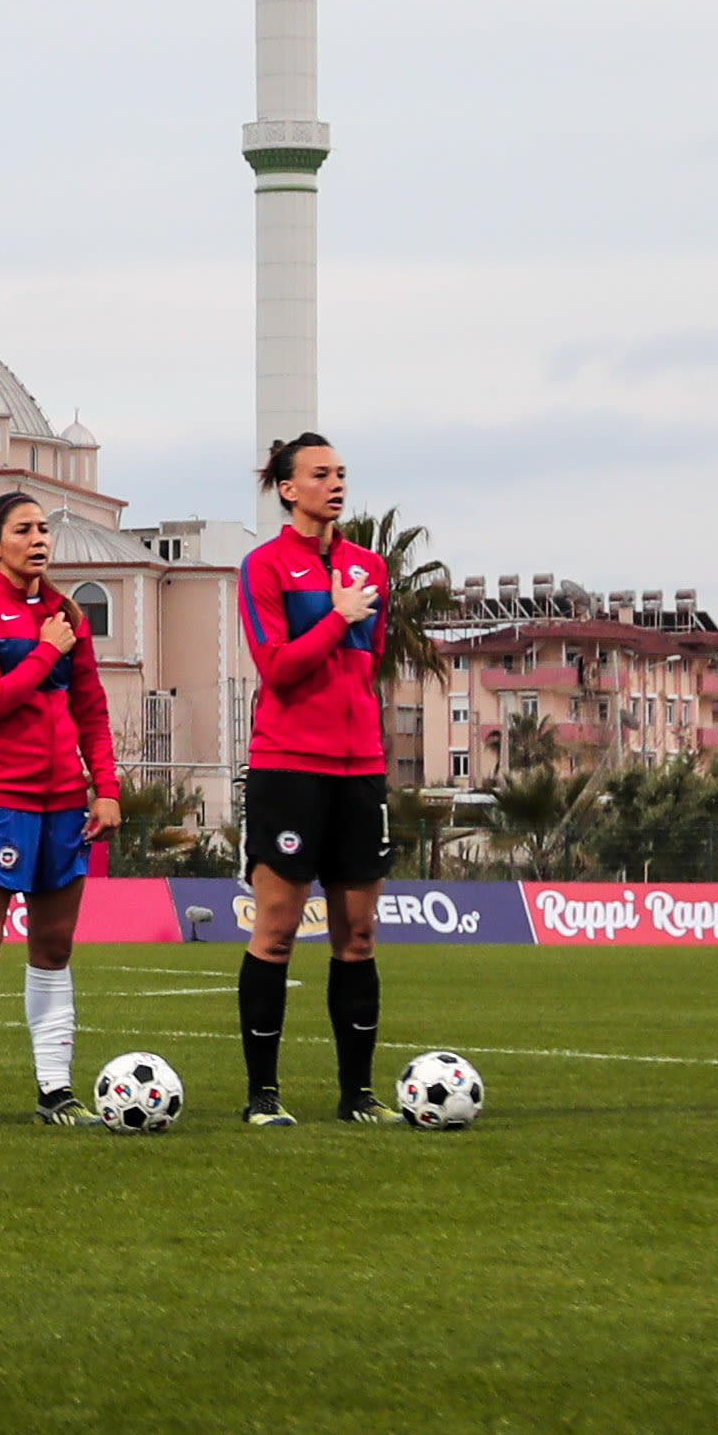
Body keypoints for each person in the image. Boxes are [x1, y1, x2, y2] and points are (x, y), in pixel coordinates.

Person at [0, 490, 121, 1131]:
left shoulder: (68, 610)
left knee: (53, 946)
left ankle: (55, 1091)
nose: (40, 537)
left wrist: (105, 787)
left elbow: (91, 708)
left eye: (45, 527)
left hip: (63, 804)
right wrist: (47, 649)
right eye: (25, 529)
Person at [236, 433, 390, 1126]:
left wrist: (347, 619)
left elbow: (369, 662)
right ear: (287, 488)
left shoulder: (370, 567)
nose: (335, 484)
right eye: (320, 473)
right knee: (276, 929)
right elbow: (277, 666)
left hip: (362, 771)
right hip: (289, 766)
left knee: (358, 934)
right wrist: (336, 617)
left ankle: (357, 1095)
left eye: (341, 473)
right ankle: (262, 1095)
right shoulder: (263, 567)